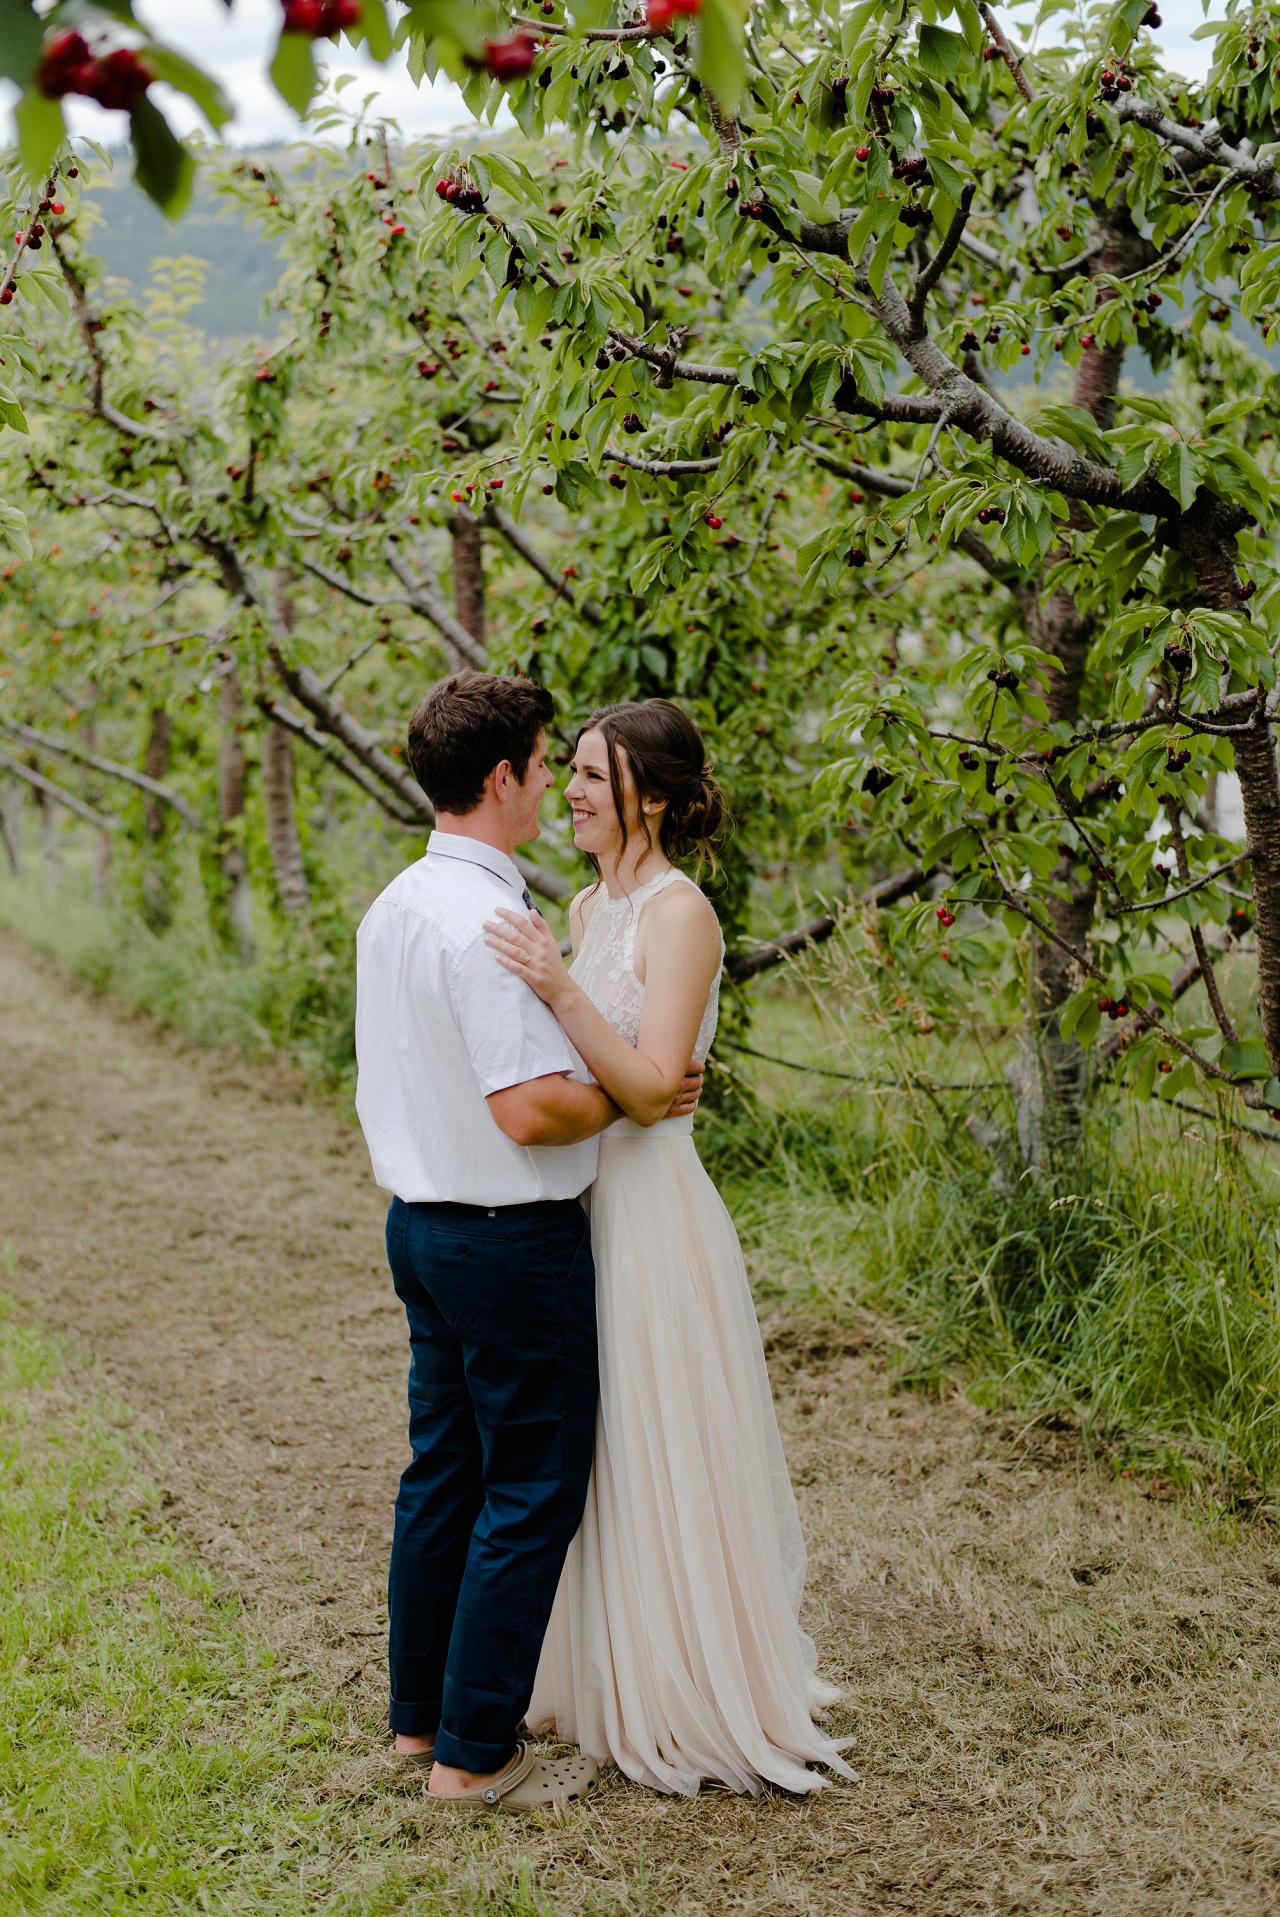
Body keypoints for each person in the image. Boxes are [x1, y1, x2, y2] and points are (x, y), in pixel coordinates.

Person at [484, 699, 855, 1797]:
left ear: (651, 790)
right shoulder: (589, 903)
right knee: (592, 1455)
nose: (578, 792)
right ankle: (603, 1669)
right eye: (576, 773)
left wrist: (559, 992)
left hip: (651, 1216)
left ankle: (688, 1683)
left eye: (597, 776)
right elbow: (606, 1072)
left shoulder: (676, 912)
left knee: (657, 1441)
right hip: (580, 1208)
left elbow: (649, 1091)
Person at [353, 671, 702, 1813]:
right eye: (550, 764)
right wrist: (642, 1093)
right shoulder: (490, 920)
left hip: (419, 1227)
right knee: (530, 1487)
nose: (556, 782)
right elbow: (531, 1109)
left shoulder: (398, 903)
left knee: (441, 1474)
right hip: (507, 1236)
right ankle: (473, 1751)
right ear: (501, 778)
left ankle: (417, 1727)